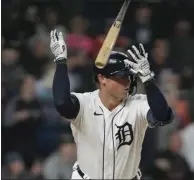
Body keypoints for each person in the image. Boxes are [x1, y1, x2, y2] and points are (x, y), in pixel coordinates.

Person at [50, 29, 174, 179]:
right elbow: (62, 103)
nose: (127, 83)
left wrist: (148, 79)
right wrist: (61, 61)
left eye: (129, 77)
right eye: (121, 78)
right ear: (102, 79)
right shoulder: (85, 103)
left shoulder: (137, 104)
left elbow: (162, 115)